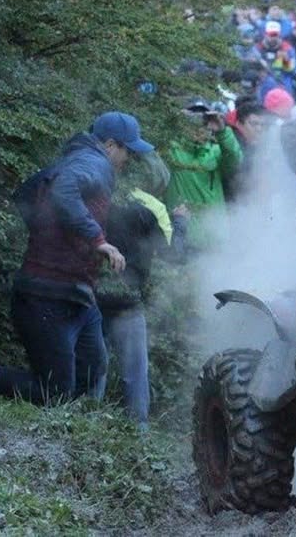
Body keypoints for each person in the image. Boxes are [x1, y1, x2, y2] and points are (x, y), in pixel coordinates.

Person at [0, 112, 153, 404]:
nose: (130, 160)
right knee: (55, 392)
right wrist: (98, 241)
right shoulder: (94, 163)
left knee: (91, 372)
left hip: (74, 294)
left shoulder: (81, 159)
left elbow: (27, 196)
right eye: (129, 151)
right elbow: (62, 189)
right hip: (47, 292)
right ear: (111, 145)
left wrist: (63, 242)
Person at [96, 152, 187, 429]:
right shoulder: (153, 207)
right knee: (135, 372)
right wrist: (181, 222)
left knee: (93, 364)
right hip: (127, 300)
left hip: (91, 293)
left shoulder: (101, 194)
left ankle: (82, 422)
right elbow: (174, 255)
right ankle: (140, 431)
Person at [164, 101, 243, 250]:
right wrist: (172, 120)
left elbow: (235, 158)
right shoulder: (171, 149)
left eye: (203, 121)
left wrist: (222, 130)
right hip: (179, 230)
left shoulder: (216, 152)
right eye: (192, 119)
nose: (198, 126)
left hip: (212, 234)